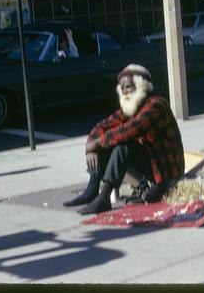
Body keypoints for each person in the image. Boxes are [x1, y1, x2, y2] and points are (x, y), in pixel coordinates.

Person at [63, 64, 185, 215]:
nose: (125, 92)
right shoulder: (131, 108)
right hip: (151, 169)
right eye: (122, 88)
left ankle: (104, 198)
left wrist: (97, 143)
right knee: (108, 141)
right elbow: (102, 126)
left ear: (142, 85)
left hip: (165, 175)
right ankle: (92, 190)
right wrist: (91, 147)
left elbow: (131, 130)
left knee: (122, 144)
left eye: (128, 87)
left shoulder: (156, 104)